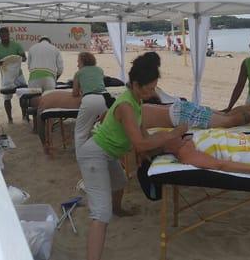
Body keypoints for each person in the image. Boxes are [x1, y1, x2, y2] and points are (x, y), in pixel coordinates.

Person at [77, 53, 188, 260]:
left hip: (109, 153)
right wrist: (171, 134)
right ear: (136, 84)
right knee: (101, 214)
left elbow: (141, 134)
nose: (152, 92)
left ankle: (117, 209)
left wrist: (150, 154)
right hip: (94, 155)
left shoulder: (136, 100)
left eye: (154, 87)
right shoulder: (127, 105)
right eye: (150, 88)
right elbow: (138, 143)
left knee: (119, 181)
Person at [142, 98, 250, 129]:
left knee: (228, 122)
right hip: (179, 107)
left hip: (179, 115)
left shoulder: (131, 113)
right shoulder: (138, 106)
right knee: (226, 115)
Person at [73, 52, 111, 149]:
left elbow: (75, 93)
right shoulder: (99, 70)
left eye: (78, 62)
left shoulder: (78, 73)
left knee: (81, 132)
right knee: (105, 128)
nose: (77, 65)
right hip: (105, 99)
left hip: (90, 99)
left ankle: (81, 155)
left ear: (82, 62)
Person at [0, 27, 26, 123]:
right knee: (7, 98)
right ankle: (10, 118)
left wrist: (18, 58)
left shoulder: (16, 45)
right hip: (6, 76)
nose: (5, 37)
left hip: (19, 75)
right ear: (0, 36)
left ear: (9, 35)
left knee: (23, 95)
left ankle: (24, 116)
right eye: (3, 35)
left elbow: (24, 58)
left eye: (6, 35)